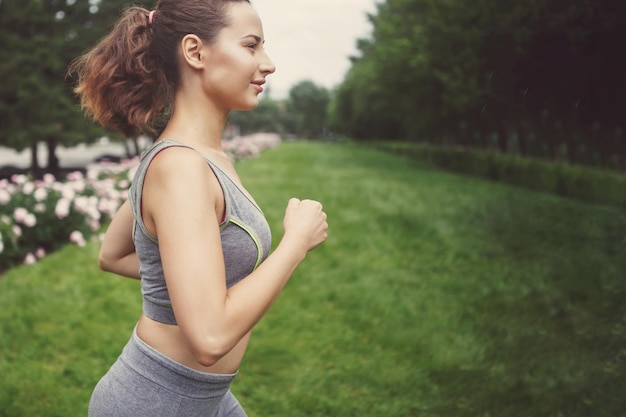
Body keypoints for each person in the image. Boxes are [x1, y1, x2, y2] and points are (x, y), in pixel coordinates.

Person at [68, 1, 328, 416]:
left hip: (209, 400)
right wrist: (295, 243)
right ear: (195, 52)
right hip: (157, 402)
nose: (268, 63)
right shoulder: (180, 168)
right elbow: (209, 338)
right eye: (251, 45)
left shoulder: (197, 156)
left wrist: (199, 279)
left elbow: (113, 254)